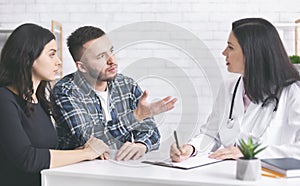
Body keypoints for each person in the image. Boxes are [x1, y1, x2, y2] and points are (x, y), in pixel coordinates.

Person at [170, 18, 300, 162]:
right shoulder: (228, 88)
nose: (224, 52)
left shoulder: (291, 92)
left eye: (231, 47)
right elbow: (211, 134)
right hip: (226, 175)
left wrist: (251, 153)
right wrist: (190, 148)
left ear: (252, 53)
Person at [0, 23, 110, 186]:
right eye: (51, 54)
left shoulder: (40, 101)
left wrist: (81, 151)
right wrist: (86, 153)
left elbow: (47, 152)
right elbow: (27, 158)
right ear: (28, 56)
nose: (58, 62)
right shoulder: (4, 99)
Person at [52, 26, 177, 161]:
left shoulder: (126, 84)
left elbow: (151, 132)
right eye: (100, 56)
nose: (111, 60)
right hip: (81, 172)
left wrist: (141, 144)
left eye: (111, 51)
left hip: (121, 169)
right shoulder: (66, 91)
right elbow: (90, 139)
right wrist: (136, 116)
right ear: (82, 67)